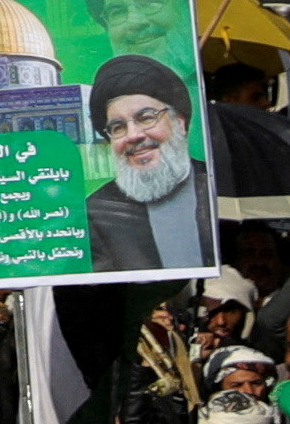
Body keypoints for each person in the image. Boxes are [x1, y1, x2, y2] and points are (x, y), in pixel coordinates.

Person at [81, 54, 212, 274]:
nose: (133, 135)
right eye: (118, 127)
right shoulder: (98, 212)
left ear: (179, 123)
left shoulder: (214, 186)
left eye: (146, 117)